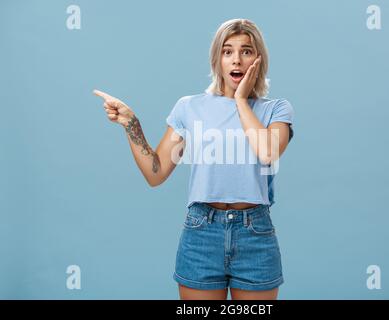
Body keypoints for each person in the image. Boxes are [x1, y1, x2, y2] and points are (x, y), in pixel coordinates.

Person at [93, 18, 294, 300]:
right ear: (217, 59)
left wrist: (240, 100)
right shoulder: (189, 107)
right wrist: (131, 124)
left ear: (258, 59)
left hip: (255, 234)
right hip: (202, 232)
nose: (236, 59)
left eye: (246, 51)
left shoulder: (276, 109)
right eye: (227, 51)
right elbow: (156, 172)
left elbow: (268, 152)